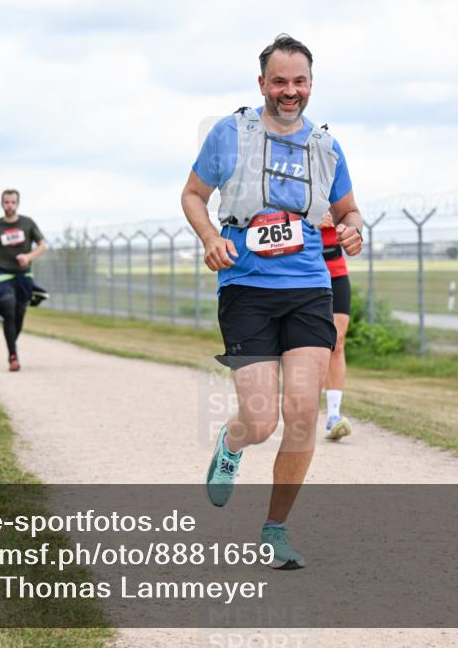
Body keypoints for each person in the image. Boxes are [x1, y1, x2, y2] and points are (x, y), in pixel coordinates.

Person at [181, 34, 363, 569]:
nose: (290, 91)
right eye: (279, 81)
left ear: (311, 84)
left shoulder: (326, 147)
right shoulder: (230, 133)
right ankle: (233, 444)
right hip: (246, 288)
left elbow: (349, 209)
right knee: (261, 421)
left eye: (299, 81)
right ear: (262, 83)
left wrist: (353, 230)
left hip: (309, 287)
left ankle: (276, 529)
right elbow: (192, 195)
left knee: (303, 413)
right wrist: (211, 237)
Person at [0, 189, 49, 371]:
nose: (9, 205)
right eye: (6, 202)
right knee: (8, 305)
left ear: (17, 204)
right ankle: (13, 356)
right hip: (3, 275)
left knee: (19, 314)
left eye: (12, 202)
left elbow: (43, 245)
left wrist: (29, 256)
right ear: (2, 203)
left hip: (23, 276)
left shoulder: (27, 223)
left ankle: (11, 344)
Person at [318, 211, 353, 441]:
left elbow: (352, 216)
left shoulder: (335, 182)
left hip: (336, 271)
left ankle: (333, 416)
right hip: (303, 272)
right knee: (312, 346)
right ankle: (300, 409)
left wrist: (344, 225)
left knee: (337, 342)